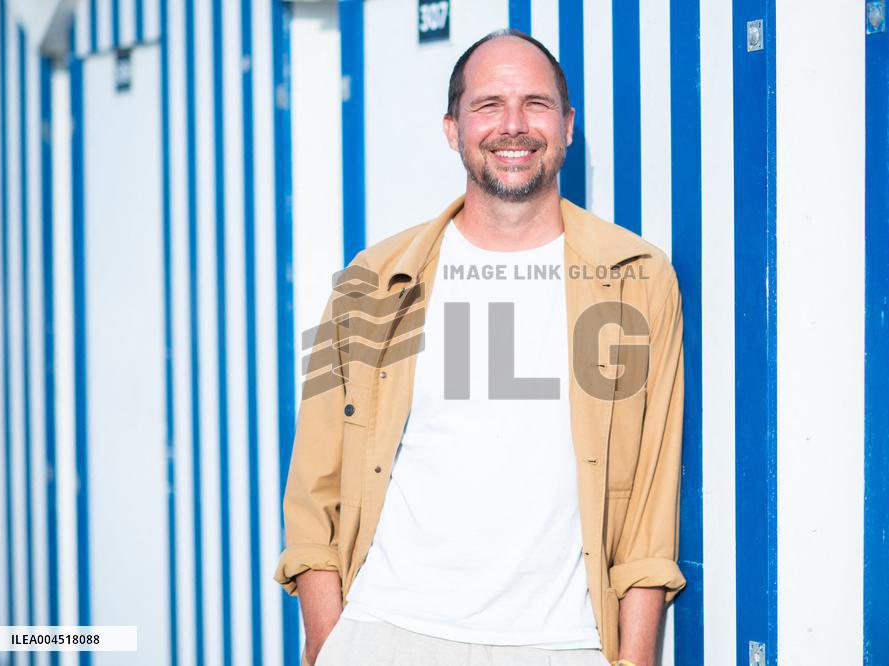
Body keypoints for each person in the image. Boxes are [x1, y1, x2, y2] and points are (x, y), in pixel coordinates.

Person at [274, 29, 686, 666]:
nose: (514, 126)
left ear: (569, 125)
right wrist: (331, 642)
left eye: (537, 104)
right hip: (388, 632)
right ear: (452, 128)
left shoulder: (634, 279)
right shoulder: (376, 282)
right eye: (489, 105)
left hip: (562, 644)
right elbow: (313, 485)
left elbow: (651, 506)